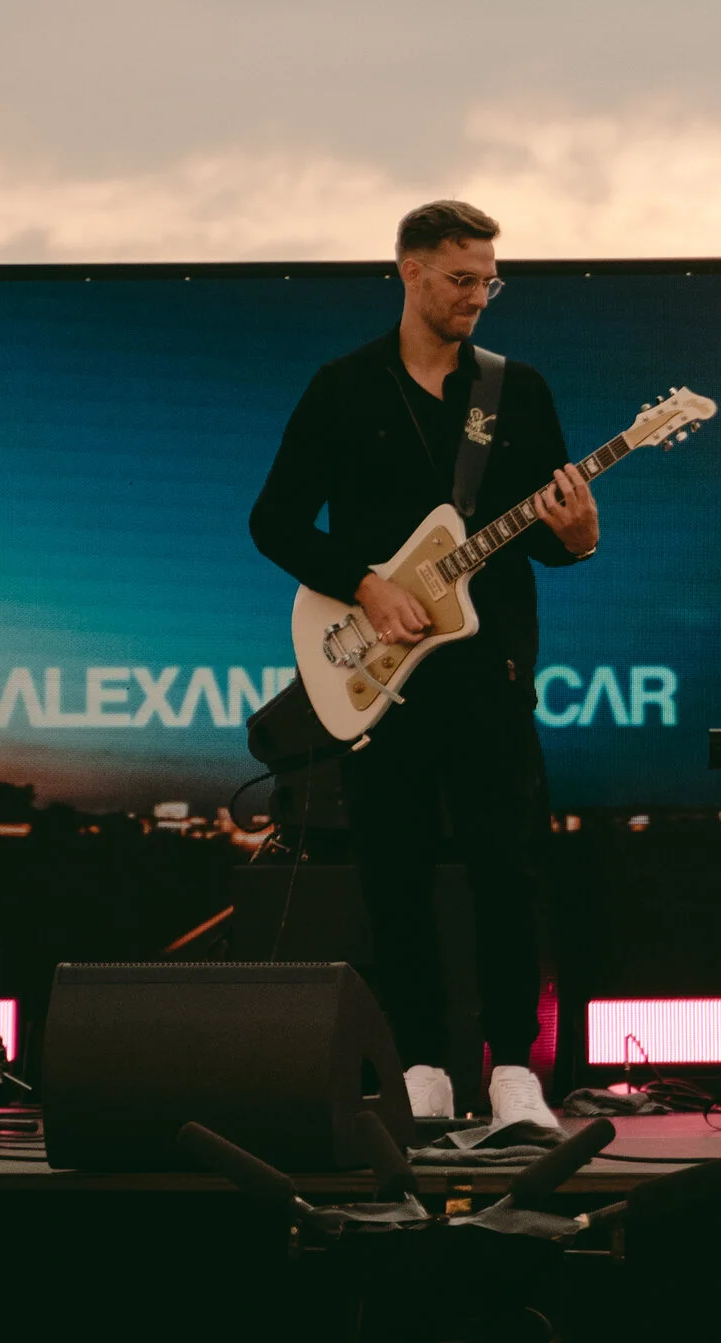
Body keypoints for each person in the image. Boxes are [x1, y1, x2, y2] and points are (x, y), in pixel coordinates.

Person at [251, 198, 599, 1135]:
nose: (477, 296)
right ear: (409, 271)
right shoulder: (342, 388)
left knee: (505, 873)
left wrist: (581, 535)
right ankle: (421, 1067)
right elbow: (274, 522)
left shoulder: (516, 391)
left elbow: (550, 538)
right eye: (460, 279)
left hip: (491, 673)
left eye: (490, 281)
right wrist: (364, 586)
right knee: (393, 877)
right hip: (382, 679)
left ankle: (515, 1071)